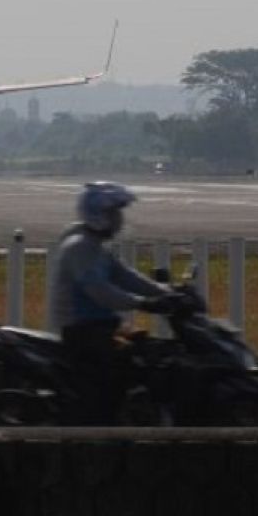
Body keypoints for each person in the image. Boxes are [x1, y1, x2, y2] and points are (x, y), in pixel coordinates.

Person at [46, 181, 180, 424]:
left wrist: (166, 292)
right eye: (113, 213)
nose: (118, 219)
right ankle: (100, 422)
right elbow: (101, 292)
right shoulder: (80, 248)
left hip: (102, 325)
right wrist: (143, 304)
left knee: (148, 351)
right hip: (81, 329)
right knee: (118, 367)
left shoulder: (96, 246)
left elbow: (125, 276)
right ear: (97, 214)